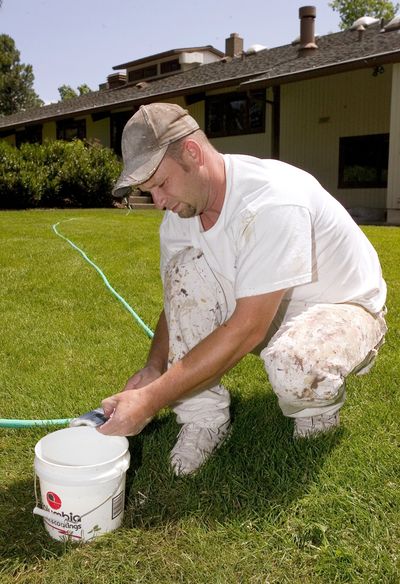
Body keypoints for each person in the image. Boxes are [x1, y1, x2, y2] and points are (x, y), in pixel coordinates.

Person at [98, 102, 387, 476]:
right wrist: (154, 367)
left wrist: (150, 400)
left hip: (344, 308)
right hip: (270, 306)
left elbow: (248, 328)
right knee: (184, 271)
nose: (159, 202)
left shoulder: (270, 200)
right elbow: (178, 301)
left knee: (293, 364)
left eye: (161, 184)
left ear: (192, 152)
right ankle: (203, 419)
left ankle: (314, 410)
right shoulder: (179, 217)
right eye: (148, 191)